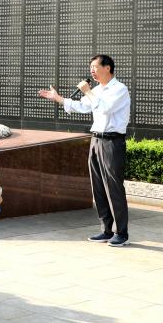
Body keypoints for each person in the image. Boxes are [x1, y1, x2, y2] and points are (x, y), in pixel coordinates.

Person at [39, 54, 131, 246]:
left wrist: (88, 91)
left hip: (112, 142)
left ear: (107, 68)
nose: (92, 71)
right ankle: (106, 229)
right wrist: (58, 99)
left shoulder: (119, 89)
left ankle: (121, 233)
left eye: (95, 67)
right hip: (96, 140)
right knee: (98, 187)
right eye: (91, 67)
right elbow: (82, 106)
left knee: (113, 187)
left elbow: (105, 108)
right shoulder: (97, 90)